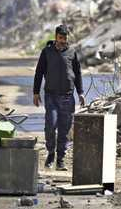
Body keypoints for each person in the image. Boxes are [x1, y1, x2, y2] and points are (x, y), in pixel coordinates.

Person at [33, 24, 85, 170]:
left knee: (65, 129)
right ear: (56, 37)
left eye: (65, 38)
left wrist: (80, 92)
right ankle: (50, 153)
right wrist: (36, 93)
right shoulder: (47, 52)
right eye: (60, 38)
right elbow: (39, 73)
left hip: (68, 97)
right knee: (51, 125)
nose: (63, 41)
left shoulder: (72, 53)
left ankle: (60, 159)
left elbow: (78, 73)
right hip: (51, 96)